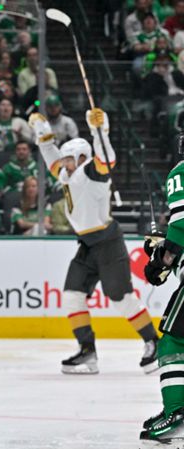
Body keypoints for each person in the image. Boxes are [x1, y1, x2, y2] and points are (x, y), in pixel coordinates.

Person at [29, 109, 159, 374]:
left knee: (121, 298)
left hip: (108, 242)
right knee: (72, 295)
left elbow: (107, 160)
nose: (63, 165)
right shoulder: (70, 175)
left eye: (68, 160)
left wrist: (101, 132)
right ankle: (87, 351)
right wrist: (43, 136)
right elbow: (52, 160)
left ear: (81, 158)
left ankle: (153, 343)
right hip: (87, 244)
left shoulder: (91, 172)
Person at [139, 133, 184, 449]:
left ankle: (178, 418)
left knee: (173, 341)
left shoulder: (180, 173)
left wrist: (161, 258)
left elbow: (181, 227)